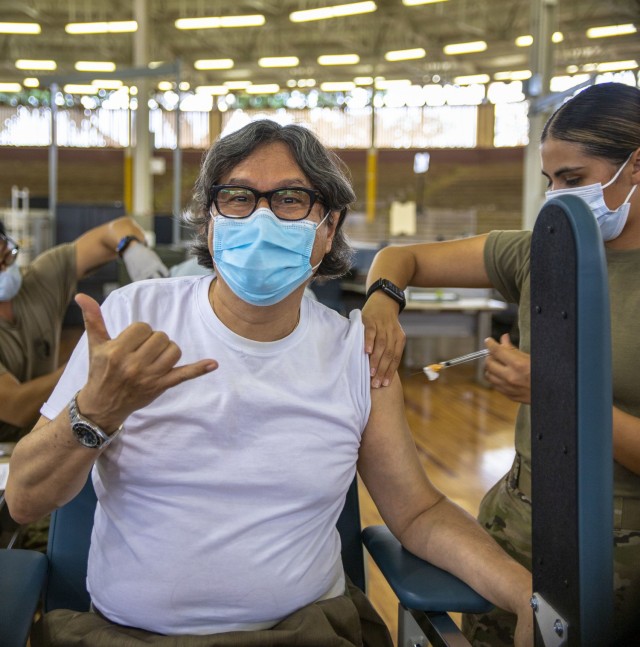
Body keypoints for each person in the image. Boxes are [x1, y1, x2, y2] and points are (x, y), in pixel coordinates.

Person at [6, 120, 533, 647]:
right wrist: (95, 412)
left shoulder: (356, 352)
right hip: (128, 635)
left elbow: (417, 512)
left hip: (303, 632)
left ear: (328, 229)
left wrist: (523, 593)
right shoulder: (132, 317)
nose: (260, 216)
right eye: (237, 197)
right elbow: (26, 501)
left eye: (290, 199)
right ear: (210, 221)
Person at [360, 82, 640, 645]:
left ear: (635, 167)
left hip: (619, 550)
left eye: (574, 179)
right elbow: (402, 256)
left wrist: (560, 392)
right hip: (516, 521)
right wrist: (383, 301)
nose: (557, 196)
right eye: (550, 181)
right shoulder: (541, 251)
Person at [0, 217, 169, 444]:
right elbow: (16, 407)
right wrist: (88, 362)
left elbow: (112, 230)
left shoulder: (38, 281)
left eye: (5, 256)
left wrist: (131, 247)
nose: (3, 267)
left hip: (46, 436)